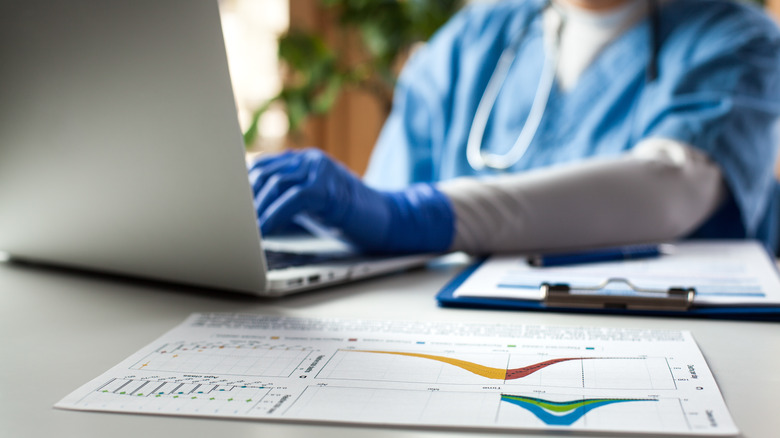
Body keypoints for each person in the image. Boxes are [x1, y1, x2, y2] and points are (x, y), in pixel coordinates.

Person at [249, 0, 780, 255]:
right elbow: (379, 216)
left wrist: (417, 216)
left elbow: (675, 184)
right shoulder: (473, 39)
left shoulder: (735, 38)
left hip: (663, 349)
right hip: (455, 345)